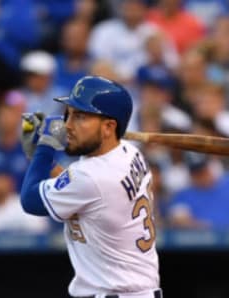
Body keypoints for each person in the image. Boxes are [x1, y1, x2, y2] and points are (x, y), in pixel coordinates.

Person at [20, 76, 161, 298]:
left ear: (109, 127)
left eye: (80, 117)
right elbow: (76, 189)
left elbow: (30, 201)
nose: (67, 125)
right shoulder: (129, 153)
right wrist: (44, 161)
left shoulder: (92, 176)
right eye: (69, 114)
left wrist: (45, 147)